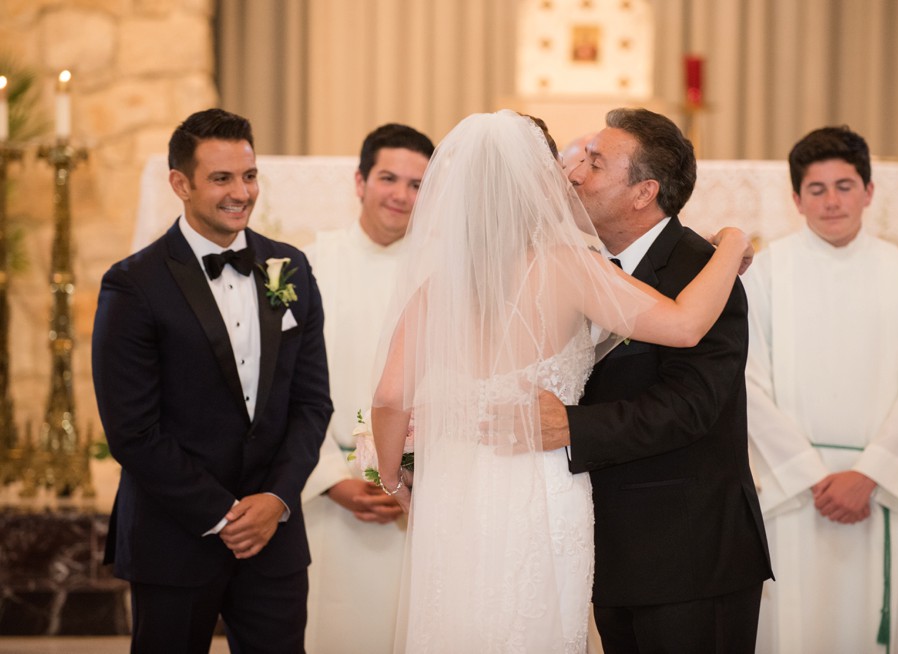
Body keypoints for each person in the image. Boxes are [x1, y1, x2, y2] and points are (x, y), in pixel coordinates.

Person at [370, 109, 754, 653]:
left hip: (460, 496)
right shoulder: (572, 267)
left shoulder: (443, 286)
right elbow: (686, 324)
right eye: (567, 164)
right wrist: (735, 240)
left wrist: (393, 477)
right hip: (539, 495)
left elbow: (389, 396)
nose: (573, 175)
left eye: (591, 163)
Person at [91, 108, 333, 654]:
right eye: (221, 178)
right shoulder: (133, 285)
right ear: (181, 184)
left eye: (249, 176)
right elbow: (131, 431)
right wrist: (222, 515)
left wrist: (275, 498)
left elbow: (312, 402)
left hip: (274, 539)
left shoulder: (288, 268)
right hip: (173, 536)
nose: (241, 192)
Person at [537, 107, 773, 653]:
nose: (574, 174)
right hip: (610, 549)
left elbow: (691, 406)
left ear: (644, 192)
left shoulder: (702, 271)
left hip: (688, 554)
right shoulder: (586, 267)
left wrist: (571, 426)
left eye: (595, 164)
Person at [742, 126, 898, 653]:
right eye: (816, 189)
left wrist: (870, 472)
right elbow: (747, 381)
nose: (832, 201)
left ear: (869, 191)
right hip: (796, 493)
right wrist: (810, 476)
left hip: (880, 490)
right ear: (796, 199)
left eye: (845, 185)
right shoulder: (764, 273)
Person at [302, 123, 434, 653]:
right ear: (359, 181)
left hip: (419, 494)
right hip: (331, 491)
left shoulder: (442, 272)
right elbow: (285, 390)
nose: (401, 195)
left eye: (418, 184)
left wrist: (412, 473)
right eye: (388, 178)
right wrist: (331, 478)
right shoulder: (310, 264)